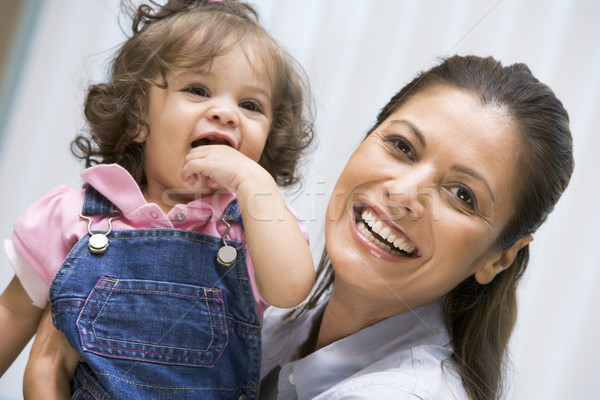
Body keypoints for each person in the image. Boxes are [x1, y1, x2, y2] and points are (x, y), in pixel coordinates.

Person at [24, 55, 573, 400]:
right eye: (401, 147)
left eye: (462, 195)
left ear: (499, 257)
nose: (404, 194)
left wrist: (49, 373)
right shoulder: (267, 312)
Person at [0, 0, 316, 399]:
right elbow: (11, 311)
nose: (226, 112)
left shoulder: (254, 227)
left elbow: (290, 289)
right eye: (198, 90)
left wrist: (256, 185)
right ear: (137, 119)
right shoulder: (72, 218)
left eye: (250, 105)